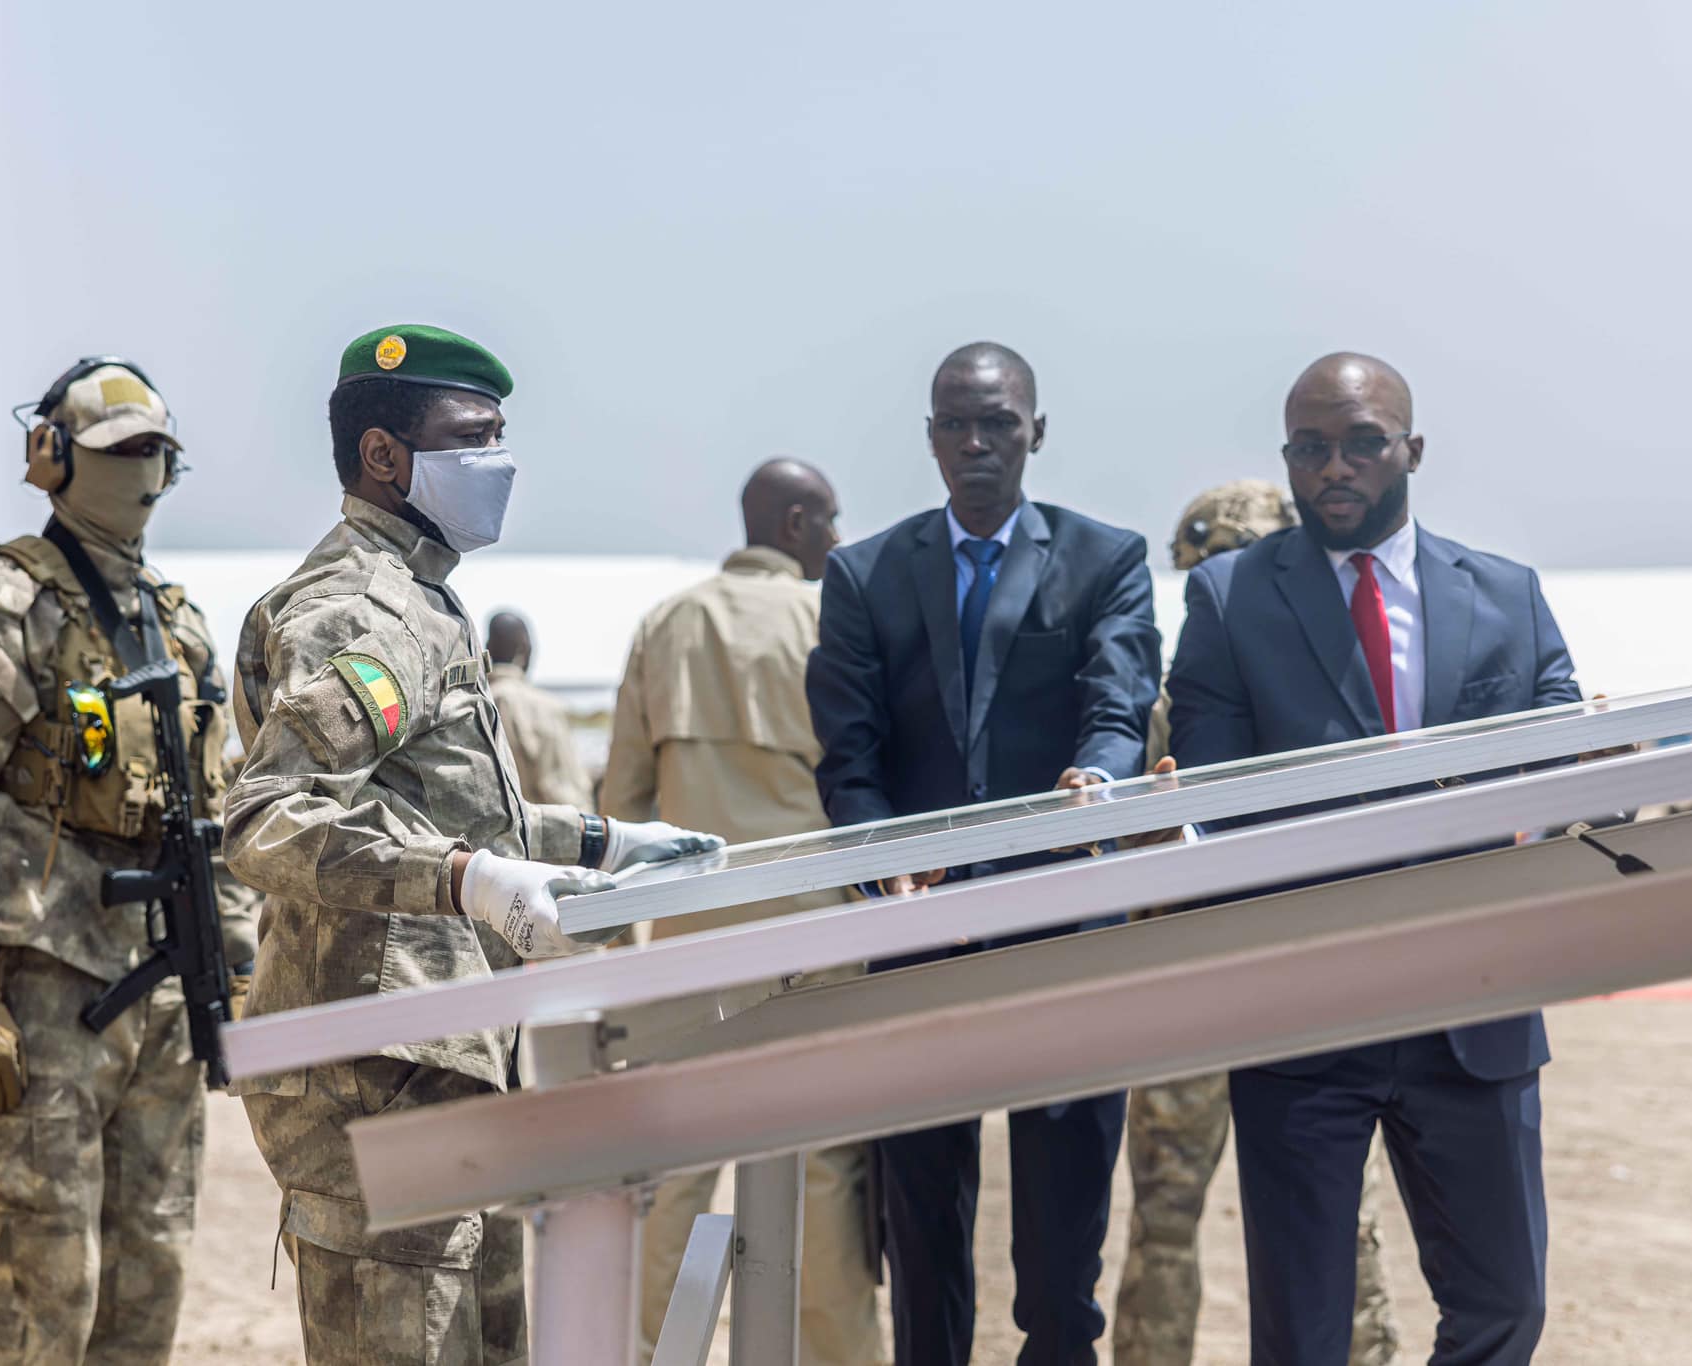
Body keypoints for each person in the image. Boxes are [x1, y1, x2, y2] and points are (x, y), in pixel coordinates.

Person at [220, 323, 721, 1365]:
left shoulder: (417, 599)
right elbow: (267, 817)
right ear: (383, 457)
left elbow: (446, 816)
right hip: (374, 1067)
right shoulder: (364, 610)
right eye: (473, 438)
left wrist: (599, 840)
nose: (498, 463)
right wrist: (469, 880)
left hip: (441, 1055)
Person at [1167, 352, 1579, 1366]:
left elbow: (1560, 749)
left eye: (1359, 444)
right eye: (1309, 450)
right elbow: (1216, 804)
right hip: (1306, 1015)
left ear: (1411, 450)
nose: (1333, 470)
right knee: (1301, 1339)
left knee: (1503, 1308)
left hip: (1471, 1010)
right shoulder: (1228, 600)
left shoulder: (1505, 595)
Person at [0, 358, 259, 1364]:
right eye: (117, 451)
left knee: (151, 1277)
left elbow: (213, 812)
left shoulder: (179, 625)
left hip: (165, 994)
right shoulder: (3, 601)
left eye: (156, 452)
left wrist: (235, 966)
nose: (140, 472)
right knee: (49, 1284)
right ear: (50, 458)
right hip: (48, 986)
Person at [807, 342, 1160, 1365]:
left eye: (997, 422)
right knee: (921, 1245)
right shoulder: (863, 574)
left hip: (1062, 938)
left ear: (1034, 432)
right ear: (927, 438)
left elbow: (1116, 706)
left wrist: (1090, 789)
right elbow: (850, 755)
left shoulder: (1107, 560)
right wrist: (885, 864)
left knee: (1058, 1277)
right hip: (917, 936)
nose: (975, 443)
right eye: (954, 423)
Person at [599, 457, 884, 1366]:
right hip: (816, 938)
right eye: (831, 522)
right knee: (824, 1170)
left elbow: (625, 796)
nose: (837, 541)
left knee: (677, 1171)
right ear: (796, 522)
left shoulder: (667, 623)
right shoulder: (831, 618)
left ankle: (647, 1355)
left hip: (694, 941)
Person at [1112, 480, 1399, 1366]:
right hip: (1297, 982)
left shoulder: (1173, 698)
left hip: (1194, 987)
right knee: (1337, 1221)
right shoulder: (1332, 687)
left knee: (1168, 1223)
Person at [484, 610, 593, 807]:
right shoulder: (545, 707)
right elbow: (564, 789)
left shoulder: (472, 702)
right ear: (524, 649)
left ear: (487, 649)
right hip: (540, 831)